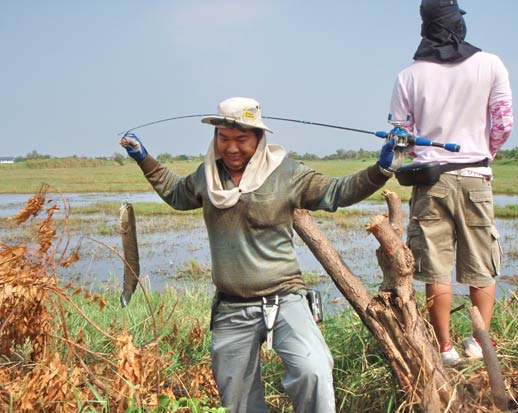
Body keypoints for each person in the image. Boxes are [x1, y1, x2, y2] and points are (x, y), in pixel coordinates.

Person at [121, 96, 402, 412]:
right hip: (231, 306)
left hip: (285, 298)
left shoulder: (287, 173)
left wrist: (380, 170)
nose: (231, 148)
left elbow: (337, 191)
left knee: (313, 371)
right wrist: (143, 158)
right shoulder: (207, 176)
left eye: (241, 139)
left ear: (259, 137)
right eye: (223, 139)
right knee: (238, 400)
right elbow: (176, 193)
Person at [388, 0, 513, 365]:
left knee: (436, 267)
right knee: (481, 262)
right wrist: (485, 152)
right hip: (476, 177)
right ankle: (479, 344)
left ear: (425, 28)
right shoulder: (491, 64)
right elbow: (503, 122)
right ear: (459, 24)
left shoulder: (408, 76)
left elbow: (402, 135)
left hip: (430, 183)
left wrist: (420, 156)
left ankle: (445, 349)